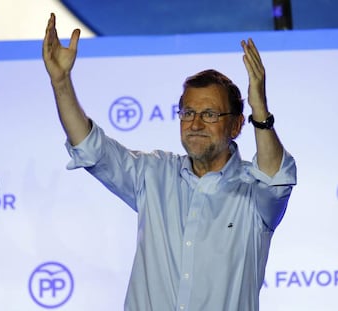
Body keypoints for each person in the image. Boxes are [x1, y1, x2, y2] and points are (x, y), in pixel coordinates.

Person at [42, 13, 296, 311]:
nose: (196, 123)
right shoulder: (153, 173)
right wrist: (61, 82)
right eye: (188, 113)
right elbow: (90, 148)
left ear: (237, 125)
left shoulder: (253, 192)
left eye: (210, 114)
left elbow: (276, 179)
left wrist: (260, 110)